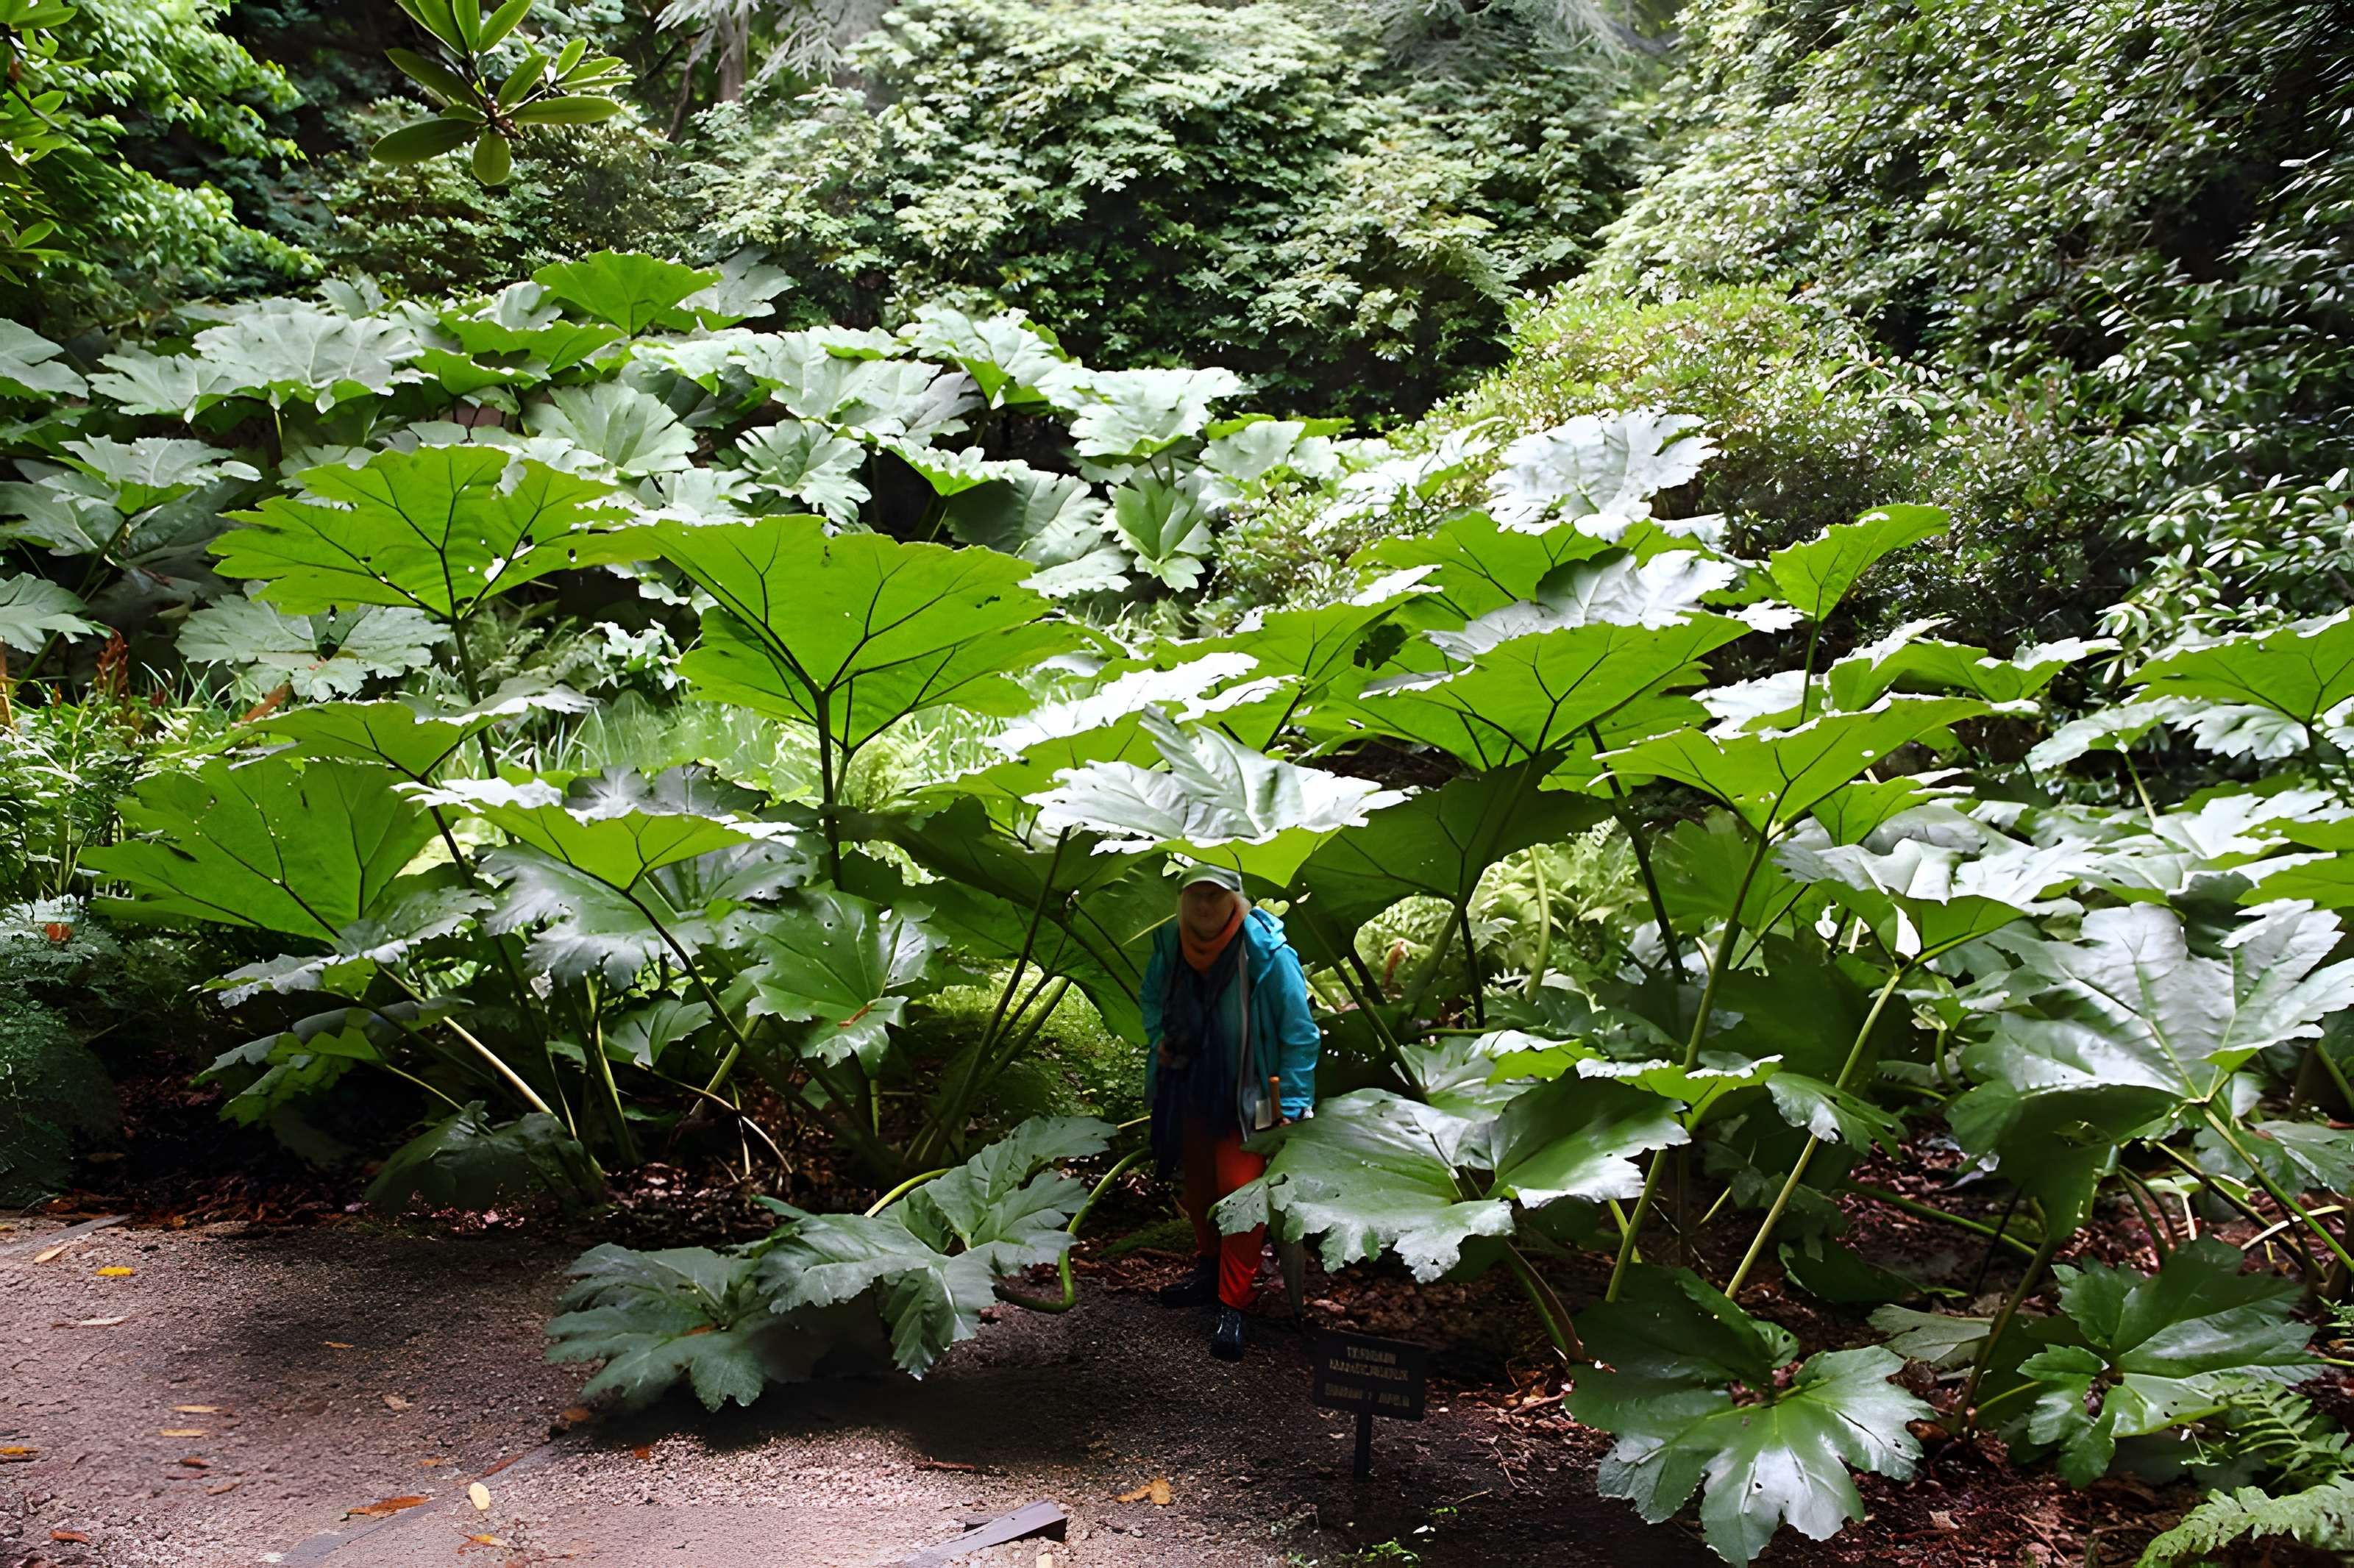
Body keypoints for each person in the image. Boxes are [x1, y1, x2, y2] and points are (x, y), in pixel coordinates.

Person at [1138, 863, 1320, 1361]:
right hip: (1188, 1087)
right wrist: (1161, 1043)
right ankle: (1207, 1268)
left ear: (1235, 903)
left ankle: (1234, 1303)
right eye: (1195, 897)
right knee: (1198, 1188)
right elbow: (1152, 1000)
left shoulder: (1267, 956)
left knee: (1241, 1196)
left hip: (1250, 1094)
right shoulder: (1170, 946)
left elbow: (1299, 1031)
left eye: (1214, 898)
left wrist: (1296, 1100)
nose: (1204, 908)